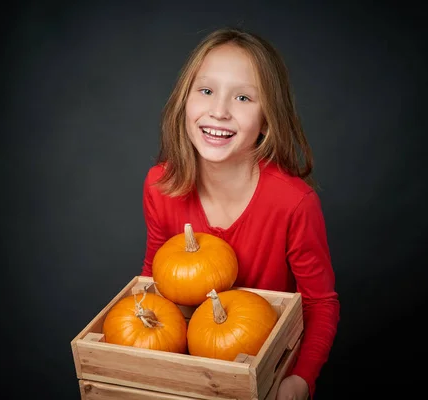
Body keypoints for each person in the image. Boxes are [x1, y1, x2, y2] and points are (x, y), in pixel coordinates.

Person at [139, 27, 340, 400]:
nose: (219, 111)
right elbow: (156, 276)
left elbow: (319, 303)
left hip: (262, 370)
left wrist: (301, 378)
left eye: (244, 97)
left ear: (267, 120)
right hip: (189, 374)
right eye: (206, 90)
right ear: (185, 100)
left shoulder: (293, 202)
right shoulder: (159, 187)